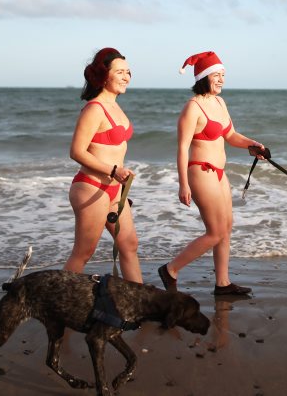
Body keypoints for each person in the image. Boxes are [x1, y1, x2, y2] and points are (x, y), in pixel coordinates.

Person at [157, 51, 264, 296]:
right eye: (217, 75)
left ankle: (223, 283)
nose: (222, 79)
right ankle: (171, 269)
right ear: (204, 76)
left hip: (219, 173)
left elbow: (230, 135)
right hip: (200, 172)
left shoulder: (219, 103)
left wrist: (254, 145)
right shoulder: (192, 108)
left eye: (223, 75)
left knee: (226, 228)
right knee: (215, 232)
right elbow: (182, 148)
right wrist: (183, 184)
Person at [64, 47, 142, 282]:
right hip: (92, 186)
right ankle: (58, 301)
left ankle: (138, 303)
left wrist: (118, 174)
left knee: (129, 244)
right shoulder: (94, 108)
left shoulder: (115, 106)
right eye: (120, 72)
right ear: (104, 75)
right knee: (84, 253)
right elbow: (76, 151)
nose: (126, 77)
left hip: (115, 189)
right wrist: (113, 170)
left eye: (128, 72)